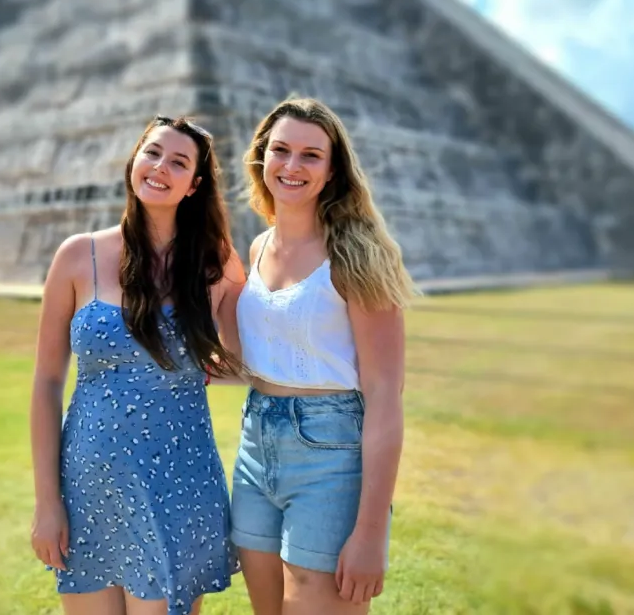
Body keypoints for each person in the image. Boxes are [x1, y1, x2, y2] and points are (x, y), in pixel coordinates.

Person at [29, 115, 245, 615]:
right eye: (152, 153)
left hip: (179, 482)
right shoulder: (76, 256)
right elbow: (45, 383)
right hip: (88, 487)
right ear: (134, 161)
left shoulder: (216, 264)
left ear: (194, 185)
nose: (160, 168)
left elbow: (248, 360)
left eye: (179, 162)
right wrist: (47, 502)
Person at [229, 97, 414, 614]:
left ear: (333, 171)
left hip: (331, 452)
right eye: (281, 150)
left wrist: (372, 532)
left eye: (311, 155)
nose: (292, 166)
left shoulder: (358, 253)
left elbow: (384, 393)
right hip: (254, 445)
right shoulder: (259, 247)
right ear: (261, 158)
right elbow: (269, 354)